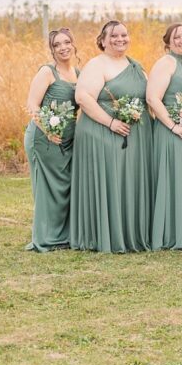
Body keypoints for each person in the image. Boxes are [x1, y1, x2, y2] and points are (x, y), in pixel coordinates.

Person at [70, 20, 153, 252]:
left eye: (124, 35)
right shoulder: (96, 65)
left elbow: (149, 99)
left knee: (129, 182)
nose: (120, 40)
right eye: (114, 36)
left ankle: (131, 233)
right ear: (103, 40)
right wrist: (111, 123)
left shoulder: (136, 66)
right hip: (101, 132)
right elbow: (83, 97)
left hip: (134, 136)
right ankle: (104, 235)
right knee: (110, 181)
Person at [147, 23, 182, 250]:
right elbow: (152, 98)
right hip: (172, 131)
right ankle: (173, 234)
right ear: (168, 42)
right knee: (175, 180)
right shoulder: (166, 63)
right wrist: (172, 126)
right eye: (177, 37)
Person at [24, 27, 80, 252]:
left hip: (68, 140)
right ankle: (46, 238)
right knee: (47, 188)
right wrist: (47, 130)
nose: (63, 47)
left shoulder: (80, 73)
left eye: (66, 42)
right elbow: (32, 105)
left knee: (65, 187)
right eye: (57, 45)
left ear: (73, 44)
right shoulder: (47, 72)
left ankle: (63, 236)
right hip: (44, 138)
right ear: (52, 50)